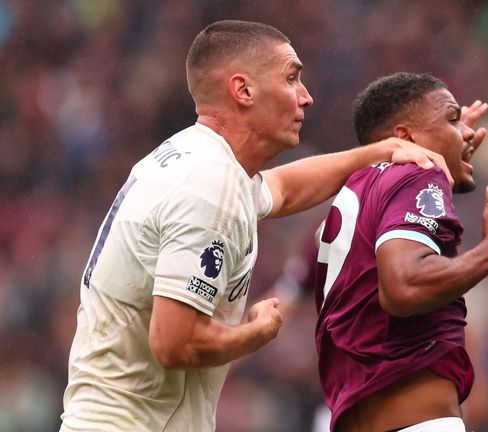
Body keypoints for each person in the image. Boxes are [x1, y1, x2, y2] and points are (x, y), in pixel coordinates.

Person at [59, 21, 451, 432]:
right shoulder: (208, 185)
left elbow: (283, 188)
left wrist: (380, 152)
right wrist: (255, 331)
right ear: (243, 90)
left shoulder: (199, 159)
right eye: (291, 78)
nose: (306, 97)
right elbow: (174, 343)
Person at [314, 72, 488, 432]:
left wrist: (449, 143)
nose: (469, 133)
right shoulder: (416, 174)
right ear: (406, 137)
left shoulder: (361, 189)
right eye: (452, 119)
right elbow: (404, 286)